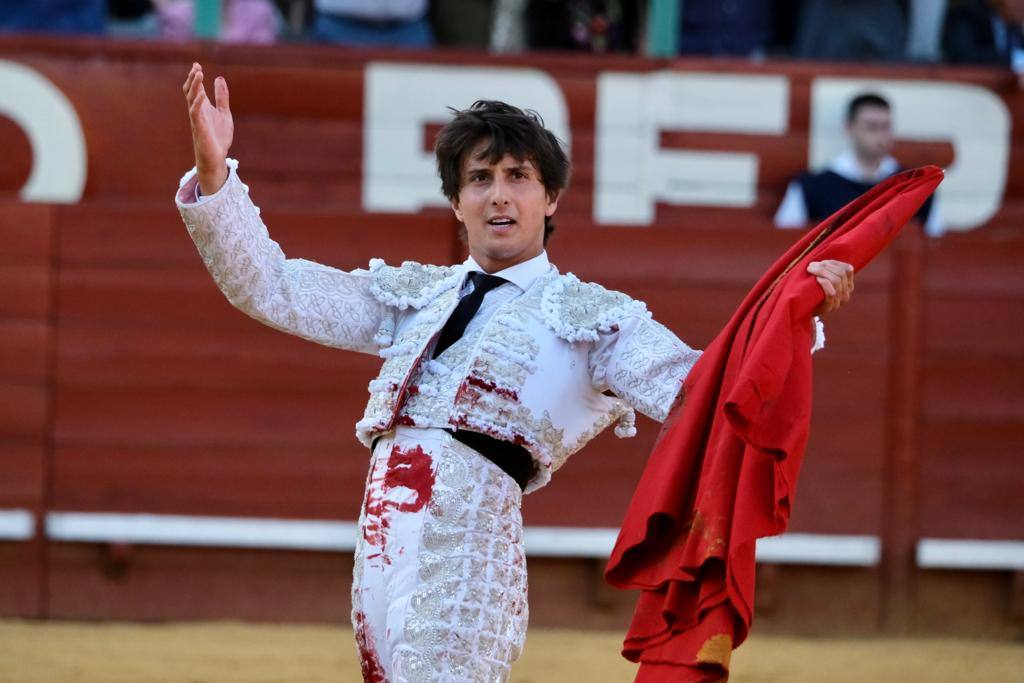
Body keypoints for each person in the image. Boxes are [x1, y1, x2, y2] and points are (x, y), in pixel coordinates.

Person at [177, 62, 855, 681]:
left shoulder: (591, 318)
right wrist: (216, 177)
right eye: (479, 178)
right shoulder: (415, 298)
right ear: (455, 201)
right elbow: (272, 287)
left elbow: (703, 387)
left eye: (517, 177)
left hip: (472, 546)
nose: (498, 196)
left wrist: (797, 315)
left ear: (551, 197)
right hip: (381, 540)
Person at [774, 92, 943, 236]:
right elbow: (786, 240)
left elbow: (935, 243)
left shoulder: (915, 187)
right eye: (871, 127)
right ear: (849, 128)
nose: (880, 135)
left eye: (885, 127)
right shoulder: (811, 187)